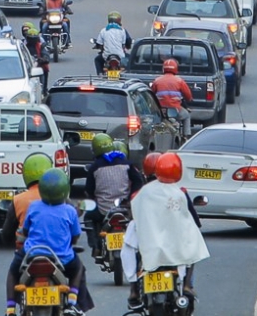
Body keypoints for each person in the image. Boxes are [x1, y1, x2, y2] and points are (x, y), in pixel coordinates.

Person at [122, 153, 208, 309]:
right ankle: (187, 284)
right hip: (172, 243)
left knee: (128, 245)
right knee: (194, 245)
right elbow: (190, 218)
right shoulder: (179, 192)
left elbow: (134, 215)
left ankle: (134, 288)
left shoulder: (142, 192)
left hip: (150, 243)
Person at [5, 168, 92, 316]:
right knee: (78, 268)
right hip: (62, 258)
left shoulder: (34, 206)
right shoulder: (70, 210)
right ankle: (72, 302)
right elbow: (75, 236)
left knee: (12, 272)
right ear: (65, 190)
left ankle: (10, 308)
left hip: (31, 254)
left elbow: (26, 231)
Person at [84, 133, 144, 248]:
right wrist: (130, 197)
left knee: (88, 217)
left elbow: (89, 190)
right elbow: (138, 181)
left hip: (103, 210)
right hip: (125, 208)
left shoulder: (94, 168)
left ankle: (95, 246)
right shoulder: (127, 164)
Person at [1, 153, 53, 246]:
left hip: (27, 251)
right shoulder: (62, 199)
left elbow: (7, 235)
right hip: (57, 251)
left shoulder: (18, 200)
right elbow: (74, 233)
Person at [150, 59, 193, 139]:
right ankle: (185, 136)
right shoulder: (179, 81)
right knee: (187, 115)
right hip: (175, 110)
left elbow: (151, 94)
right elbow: (188, 96)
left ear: (163, 68)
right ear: (176, 68)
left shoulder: (157, 80)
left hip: (161, 111)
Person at [93, 11, 132, 75]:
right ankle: (128, 75)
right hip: (120, 55)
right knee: (130, 59)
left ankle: (99, 75)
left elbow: (99, 44)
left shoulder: (104, 30)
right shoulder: (122, 30)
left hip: (106, 56)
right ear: (119, 20)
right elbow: (124, 44)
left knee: (97, 60)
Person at [22, 26, 49, 91]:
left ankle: (44, 90)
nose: (32, 41)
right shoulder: (23, 46)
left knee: (44, 71)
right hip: (26, 68)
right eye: (30, 38)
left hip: (39, 67)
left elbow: (46, 55)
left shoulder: (41, 46)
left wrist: (43, 59)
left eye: (34, 39)